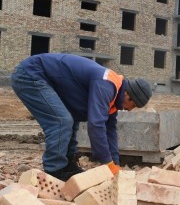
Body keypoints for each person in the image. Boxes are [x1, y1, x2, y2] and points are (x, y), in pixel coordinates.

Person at [10, 53, 153, 181]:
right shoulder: (106, 84)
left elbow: (110, 132)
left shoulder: (114, 96)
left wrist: (115, 165)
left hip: (45, 80)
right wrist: (107, 162)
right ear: (128, 95)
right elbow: (96, 125)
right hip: (30, 75)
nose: (129, 110)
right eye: (133, 106)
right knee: (62, 121)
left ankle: (68, 165)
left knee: (72, 119)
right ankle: (54, 170)